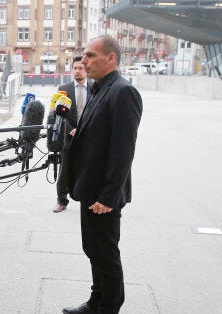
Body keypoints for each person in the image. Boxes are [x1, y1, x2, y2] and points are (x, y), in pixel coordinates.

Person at [63, 35, 143, 314]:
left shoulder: (123, 92)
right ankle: (96, 302)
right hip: (90, 188)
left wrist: (109, 196)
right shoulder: (100, 89)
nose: (83, 61)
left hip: (104, 195)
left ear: (111, 59)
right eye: (83, 56)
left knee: (106, 254)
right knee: (93, 249)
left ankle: (109, 307)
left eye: (90, 56)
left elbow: (123, 150)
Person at [54, 56, 93, 213]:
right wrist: (71, 129)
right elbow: (58, 115)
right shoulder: (64, 89)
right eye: (75, 68)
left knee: (90, 170)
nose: (77, 71)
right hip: (69, 137)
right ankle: (61, 201)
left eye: (80, 68)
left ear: (86, 69)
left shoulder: (95, 87)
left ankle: (89, 200)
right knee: (65, 171)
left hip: (89, 137)